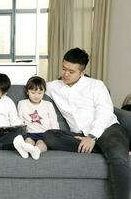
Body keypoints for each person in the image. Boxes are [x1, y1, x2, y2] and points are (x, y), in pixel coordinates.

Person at [43, 48, 130, 199]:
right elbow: (31, 88)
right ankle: (103, 148)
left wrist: (92, 136)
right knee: (50, 136)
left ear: (82, 72)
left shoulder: (96, 85)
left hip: (107, 129)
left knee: (117, 158)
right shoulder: (53, 87)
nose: (66, 74)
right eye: (64, 69)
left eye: (71, 71)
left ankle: (109, 148)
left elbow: (105, 112)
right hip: (78, 135)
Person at [17, 76, 59, 159]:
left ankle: (36, 150)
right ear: (27, 92)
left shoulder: (48, 104)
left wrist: (55, 133)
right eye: (33, 92)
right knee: (28, 142)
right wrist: (21, 131)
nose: (36, 96)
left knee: (42, 144)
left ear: (44, 92)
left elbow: (53, 120)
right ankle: (25, 149)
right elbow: (19, 119)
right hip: (29, 132)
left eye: (40, 93)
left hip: (44, 133)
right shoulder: (22, 103)